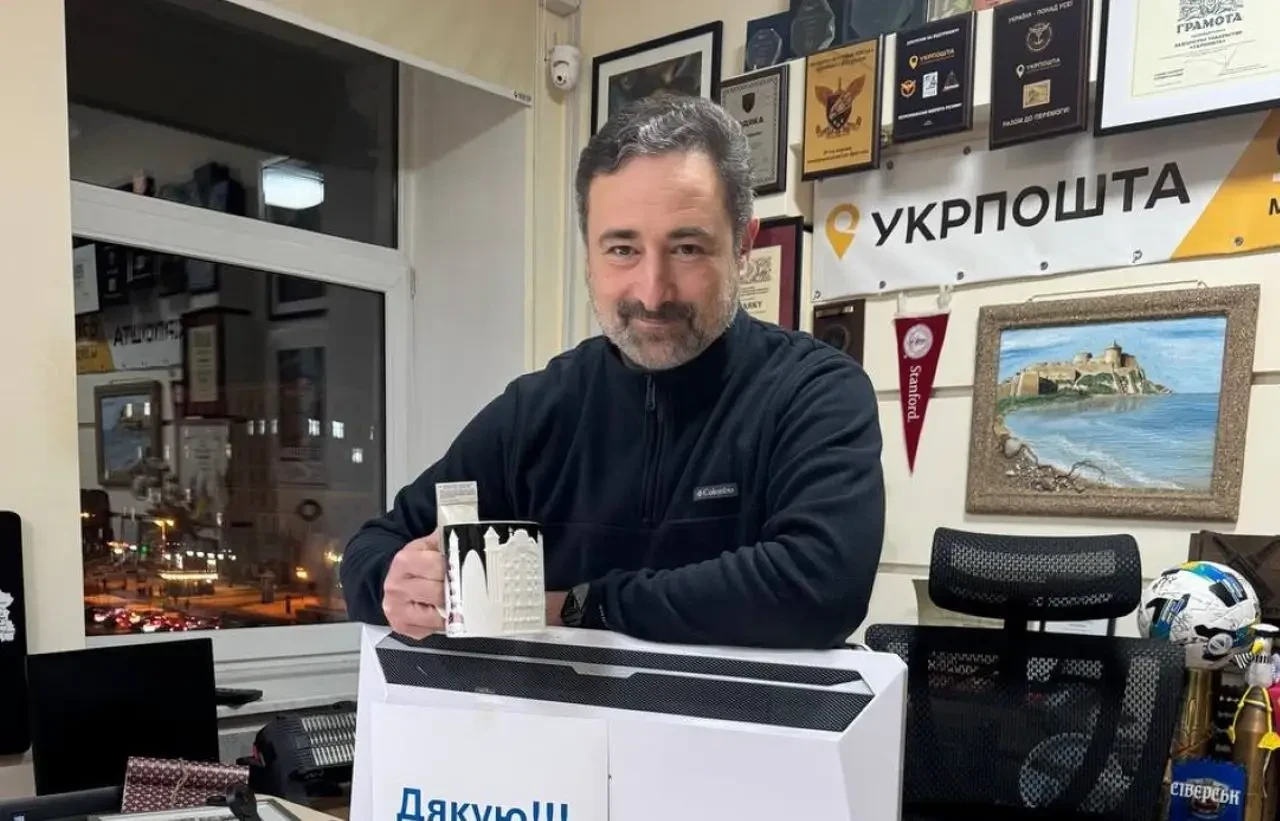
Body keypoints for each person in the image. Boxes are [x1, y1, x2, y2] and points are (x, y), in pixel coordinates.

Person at [341, 93, 885, 649]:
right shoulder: (537, 410)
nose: (653, 292)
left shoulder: (813, 392)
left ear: (743, 247)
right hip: (552, 711)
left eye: (687, 248)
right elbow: (370, 552)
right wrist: (401, 583)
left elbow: (820, 585)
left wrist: (578, 606)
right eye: (623, 249)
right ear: (588, 256)